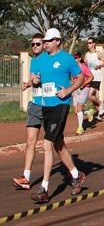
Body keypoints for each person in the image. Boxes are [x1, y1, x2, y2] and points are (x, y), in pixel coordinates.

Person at [29, 28, 86, 203]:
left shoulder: (67, 59)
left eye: (48, 41)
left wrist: (68, 90)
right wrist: (35, 80)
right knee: (58, 145)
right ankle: (77, 175)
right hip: (46, 107)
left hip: (60, 107)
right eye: (44, 41)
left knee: (47, 145)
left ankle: (44, 189)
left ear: (58, 41)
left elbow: (81, 77)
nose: (44, 43)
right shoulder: (41, 59)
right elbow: (34, 78)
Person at [12, 33, 45, 190]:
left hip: (49, 106)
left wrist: (37, 81)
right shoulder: (34, 61)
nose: (35, 47)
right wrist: (29, 83)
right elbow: (34, 78)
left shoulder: (48, 60)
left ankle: (74, 173)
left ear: (44, 44)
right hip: (35, 105)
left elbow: (46, 79)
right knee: (30, 142)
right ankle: (26, 177)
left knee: (56, 145)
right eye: (33, 44)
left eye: (38, 44)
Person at [84, 37, 104, 120]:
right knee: (92, 97)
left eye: (90, 43)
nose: (88, 44)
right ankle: (101, 114)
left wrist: (99, 65)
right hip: (90, 77)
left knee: (90, 96)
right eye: (88, 43)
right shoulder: (87, 54)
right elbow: (85, 65)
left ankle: (101, 104)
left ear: (94, 44)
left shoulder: (98, 53)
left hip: (96, 77)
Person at [72, 52, 94, 135]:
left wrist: (84, 84)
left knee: (79, 108)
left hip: (84, 88)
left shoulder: (84, 68)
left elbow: (91, 77)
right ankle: (88, 112)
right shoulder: (73, 68)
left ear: (79, 58)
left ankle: (80, 128)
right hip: (75, 89)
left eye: (76, 58)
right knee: (76, 110)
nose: (75, 59)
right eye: (74, 58)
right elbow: (73, 79)